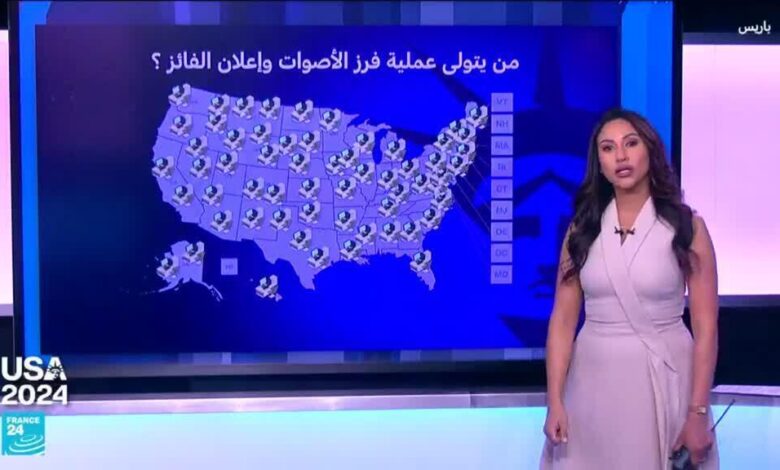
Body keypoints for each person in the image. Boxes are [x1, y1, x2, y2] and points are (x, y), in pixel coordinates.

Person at [540, 109, 719, 469]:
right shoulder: (581, 231)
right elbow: (562, 320)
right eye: (608, 148)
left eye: (631, 144)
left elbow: (706, 328)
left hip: (664, 378)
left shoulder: (688, 228)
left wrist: (697, 411)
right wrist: (555, 400)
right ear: (600, 165)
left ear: (650, 151)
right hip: (591, 386)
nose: (620, 156)